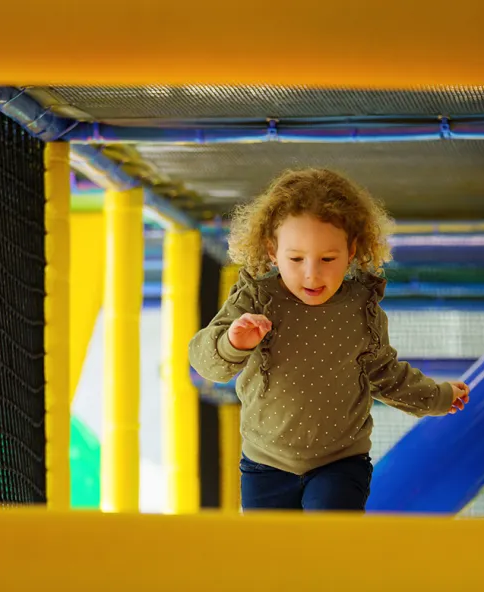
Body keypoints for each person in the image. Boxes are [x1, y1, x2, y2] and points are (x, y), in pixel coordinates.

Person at [189, 168, 469, 512]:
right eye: (295, 258)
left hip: (340, 462)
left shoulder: (359, 307)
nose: (312, 273)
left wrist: (438, 397)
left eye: (327, 258)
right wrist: (234, 342)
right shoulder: (257, 297)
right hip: (266, 464)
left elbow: (384, 373)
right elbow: (205, 362)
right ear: (272, 250)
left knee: (328, 540)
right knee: (272, 558)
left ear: (351, 251)